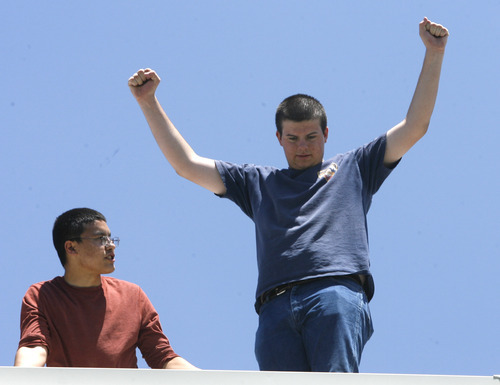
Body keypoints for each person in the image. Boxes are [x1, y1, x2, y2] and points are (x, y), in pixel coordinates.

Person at [128, 18, 448, 372]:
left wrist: (434, 53)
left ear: (326, 134)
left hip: (334, 293)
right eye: (293, 138)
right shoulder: (256, 182)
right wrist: (148, 102)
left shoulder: (355, 167)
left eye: (311, 137)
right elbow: (186, 165)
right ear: (278, 138)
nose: (302, 147)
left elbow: (415, 126)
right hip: (274, 307)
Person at [15, 208, 197, 369]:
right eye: (101, 238)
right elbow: (33, 347)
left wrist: (211, 380)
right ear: (71, 247)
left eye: (111, 238)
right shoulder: (41, 295)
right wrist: (18, 379)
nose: (111, 245)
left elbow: (162, 356)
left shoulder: (133, 296)